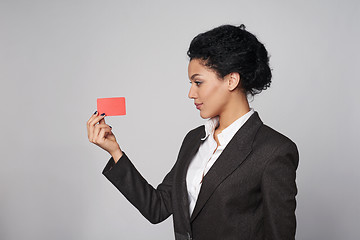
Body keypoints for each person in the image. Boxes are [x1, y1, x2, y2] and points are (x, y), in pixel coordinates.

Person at [86, 24, 299, 240]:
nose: (190, 93)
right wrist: (115, 151)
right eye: (191, 83)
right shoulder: (194, 139)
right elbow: (157, 207)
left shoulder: (274, 151)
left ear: (231, 80)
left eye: (198, 82)